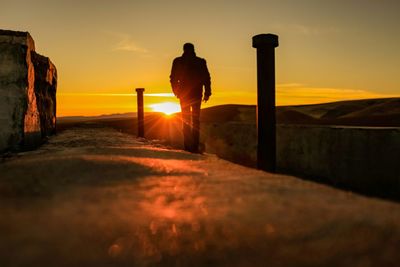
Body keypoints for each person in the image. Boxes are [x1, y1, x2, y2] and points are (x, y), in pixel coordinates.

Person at [170, 43, 211, 153]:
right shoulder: (200, 61)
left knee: (187, 120)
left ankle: (189, 147)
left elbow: (173, 78)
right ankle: (193, 147)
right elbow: (206, 78)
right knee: (195, 121)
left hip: (185, 94)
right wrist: (207, 92)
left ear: (184, 49)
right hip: (195, 94)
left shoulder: (178, 61)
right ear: (193, 49)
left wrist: (176, 91)